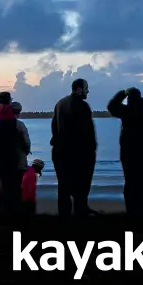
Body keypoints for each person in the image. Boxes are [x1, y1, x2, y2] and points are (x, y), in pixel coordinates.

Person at [107, 88, 143, 218]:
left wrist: (122, 93)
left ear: (129, 98)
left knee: (130, 184)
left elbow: (111, 106)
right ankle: (141, 211)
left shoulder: (127, 111)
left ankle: (131, 212)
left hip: (129, 155)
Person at [50, 78, 99, 217]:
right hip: (78, 152)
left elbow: (54, 126)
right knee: (81, 186)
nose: (87, 91)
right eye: (86, 88)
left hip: (60, 151)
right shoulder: (83, 106)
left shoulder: (60, 103)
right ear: (78, 89)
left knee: (63, 186)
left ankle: (64, 216)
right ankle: (80, 214)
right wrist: (92, 151)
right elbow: (88, 132)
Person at [11, 102, 32, 175]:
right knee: (19, 183)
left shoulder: (1, 124)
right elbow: (27, 142)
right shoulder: (20, 125)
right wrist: (27, 150)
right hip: (19, 160)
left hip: (5, 161)